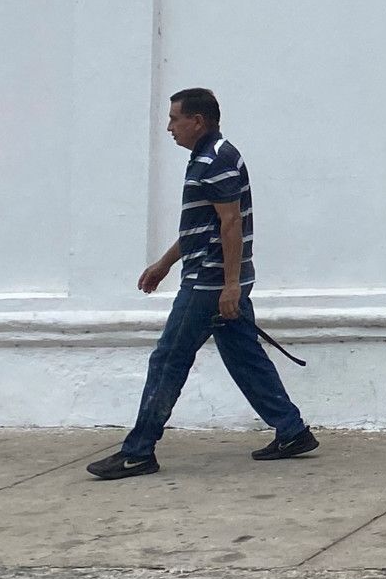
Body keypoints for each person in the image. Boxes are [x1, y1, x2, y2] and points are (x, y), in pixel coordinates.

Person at [87, 88, 318, 480]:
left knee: (168, 360)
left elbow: (230, 224)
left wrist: (229, 286)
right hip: (219, 280)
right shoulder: (210, 157)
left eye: (175, 119)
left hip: (208, 285)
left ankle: (138, 452)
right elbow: (205, 225)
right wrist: (164, 263)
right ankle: (292, 431)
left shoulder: (214, 160)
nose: (169, 127)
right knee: (245, 358)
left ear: (198, 121)